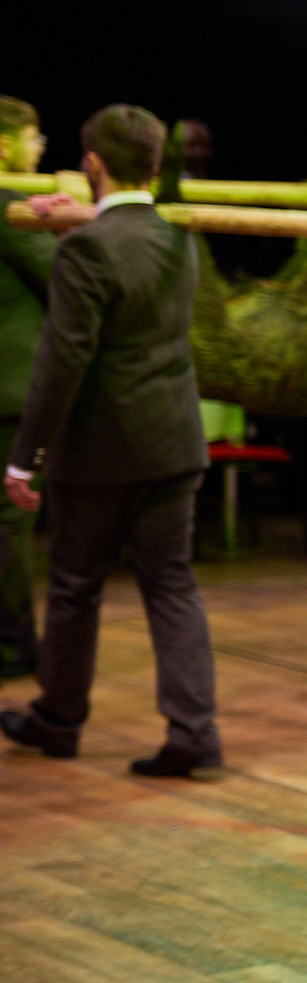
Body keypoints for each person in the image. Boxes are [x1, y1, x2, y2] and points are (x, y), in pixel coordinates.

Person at [1, 105, 221, 776]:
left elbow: (62, 360)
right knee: (173, 586)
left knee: (74, 586)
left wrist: (25, 458)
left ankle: (59, 719)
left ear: (93, 163)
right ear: (153, 164)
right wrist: (77, 219)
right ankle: (194, 732)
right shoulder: (177, 238)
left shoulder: (88, 247)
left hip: (102, 449)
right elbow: (128, 244)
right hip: (174, 440)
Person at [0, 95, 54, 682]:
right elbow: (64, 272)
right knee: (8, 522)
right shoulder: (8, 207)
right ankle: (13, 645)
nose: (40, 148)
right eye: (34, 137)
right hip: (8, 394)